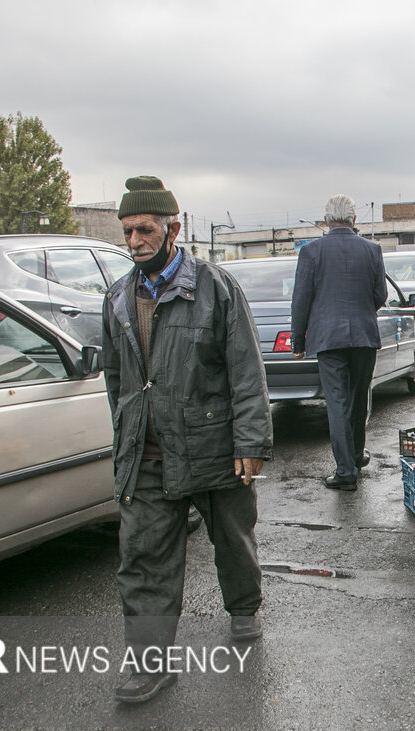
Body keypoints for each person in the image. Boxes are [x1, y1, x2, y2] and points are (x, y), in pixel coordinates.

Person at [101, 176, 273, 704]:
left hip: (213, 447)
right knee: (143, 559)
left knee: (233, 539)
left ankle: (243, 608)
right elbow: (117, 381)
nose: (134, 242)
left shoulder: (216, 289)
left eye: (145, 230)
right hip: (149, 455)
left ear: (173, 229)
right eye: (127, 231)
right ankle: (150, 666)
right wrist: (127, 437)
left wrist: (250, 444)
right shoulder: (116, 298)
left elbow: (246, 370)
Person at [290, 194, 387, 492]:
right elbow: (380, 295)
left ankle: (345, 471)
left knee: (337, 403)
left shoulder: (311, 251)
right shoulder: (372, 250)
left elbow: (301, 299)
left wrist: (298, 340)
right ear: (354, 220)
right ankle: (356, 456)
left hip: (328, 338)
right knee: (359, 400)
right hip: (363, 336)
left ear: (326, 221)